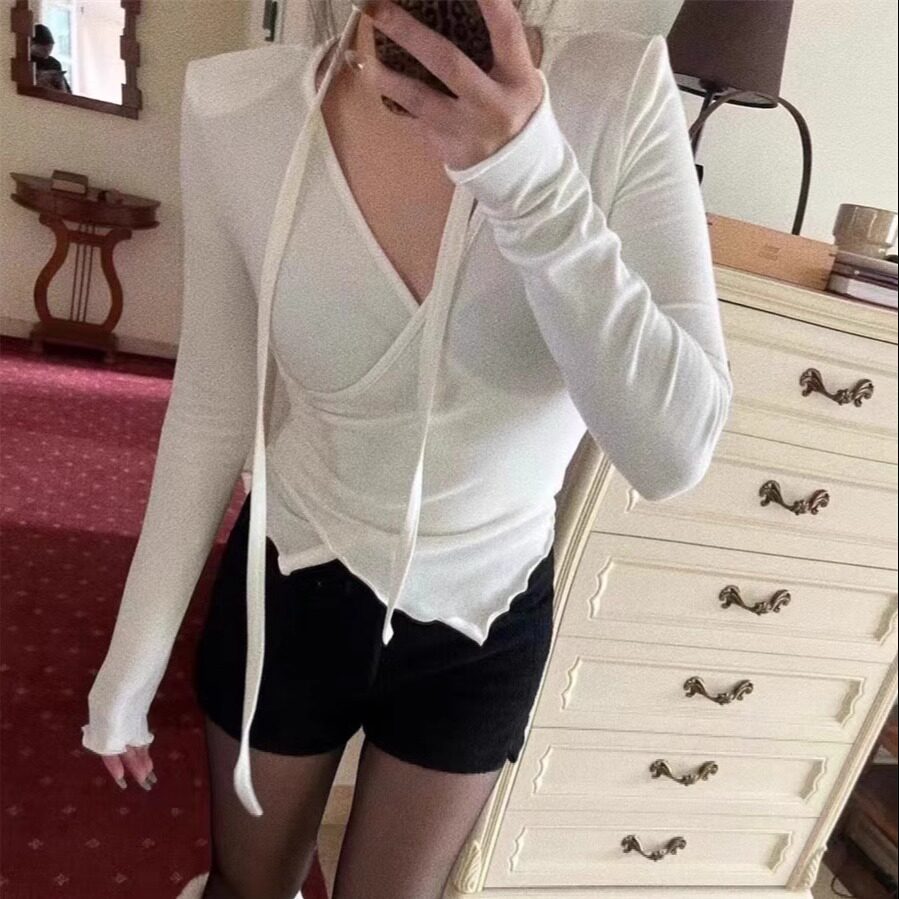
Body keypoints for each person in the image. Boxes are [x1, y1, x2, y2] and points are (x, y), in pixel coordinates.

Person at [80, 1, 735, 897]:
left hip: (485, 609)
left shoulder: (615, 97)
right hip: (291, 577)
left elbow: (672, 454)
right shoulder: (235, 106)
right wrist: (133, 658)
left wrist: (531, 178)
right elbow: (210, 403)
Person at [30, 23, 72, 93]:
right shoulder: (25, 60)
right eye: (43, 49)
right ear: (32, 43)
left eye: (50, 49)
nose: (47, 52)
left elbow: (66, 92)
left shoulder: (54, 63)